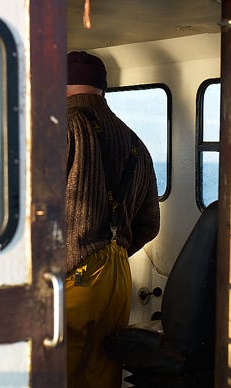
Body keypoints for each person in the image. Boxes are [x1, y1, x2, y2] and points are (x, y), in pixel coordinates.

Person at [65, 51, 160, 388]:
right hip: (118, 278)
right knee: (104, 372)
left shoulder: (63, 127)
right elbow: (150, 224)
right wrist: (113, 251)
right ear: (101, 89)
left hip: (72, 277)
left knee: (56, 373)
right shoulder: (136, 142)